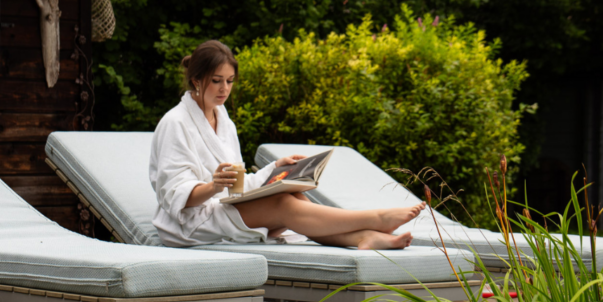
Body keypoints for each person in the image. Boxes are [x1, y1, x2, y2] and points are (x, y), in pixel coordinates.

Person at [149, 40, 421, 250]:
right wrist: (214, 186)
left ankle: (364, 237)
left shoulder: (224, 120)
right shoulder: (176, 123)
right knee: (282, 205)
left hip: (224, 207)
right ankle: (373, 219)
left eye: (230, 81)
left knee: (293, 198)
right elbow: (174, 196)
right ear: (196, 80)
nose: (224, 89)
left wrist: (274, 170)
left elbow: (237, 188)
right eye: (216, 81)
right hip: (189, 224)